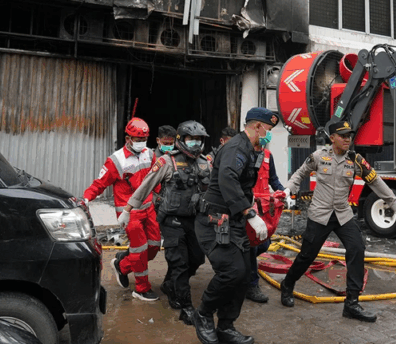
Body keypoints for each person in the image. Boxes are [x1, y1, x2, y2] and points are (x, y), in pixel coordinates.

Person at [279, 120, 396, 322]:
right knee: (307, 255)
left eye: (349, 135)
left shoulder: (356, 160)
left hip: (343, 215)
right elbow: (300, 173)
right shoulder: (319, 156)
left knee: (357, 249)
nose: (347, 139)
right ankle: (287, 284)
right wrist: (289, 189)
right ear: (332, 138)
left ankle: (352, 304)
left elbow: (375, 182)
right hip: (320, 215)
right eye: (343, 136)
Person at [192, 108, 278, 344]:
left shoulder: (252, 149)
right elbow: (227, 179)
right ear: (257, 127)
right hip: (215, 221)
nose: (270, 134)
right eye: (269, 129)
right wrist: (249, 212)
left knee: (243, 275)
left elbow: (244, 184)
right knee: (231, 272)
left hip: (234, 221)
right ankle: (203, 313)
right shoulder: (236, 148)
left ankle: (226, 326)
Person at [123, 121, 211, 324]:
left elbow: (215, 188)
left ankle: (170, 284)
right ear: (181, 140)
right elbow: (146, 186)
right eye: (191, 139)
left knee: (197, 259)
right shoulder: (167, 161)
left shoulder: (205, 163)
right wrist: (128, 209)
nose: (196, 143)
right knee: (179, 262)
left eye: (199, 139)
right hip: (172, 220)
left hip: (196, 220)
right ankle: (185, 306)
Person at [83, 118, 161, 301]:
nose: (141, 143)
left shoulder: (149, 154)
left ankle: (123, 265)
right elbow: (100, 183)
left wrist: (158, 195)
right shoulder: (116, 160)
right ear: (128, 139)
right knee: (140, 249)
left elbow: (155, 178)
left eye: (144, 139)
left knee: (154, 246)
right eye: (138, 139)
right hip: (129, 213)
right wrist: (86, 198)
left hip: (149, 209)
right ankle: (141, 289)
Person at [245, 146, 294, 304]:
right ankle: (251, 285)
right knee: (252, 247)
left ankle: (242, 266)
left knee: (264, 244)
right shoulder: (242, 153)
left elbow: (273, 179)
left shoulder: (267, 155)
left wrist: (285, 192)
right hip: (248, 207)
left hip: (264, 208)